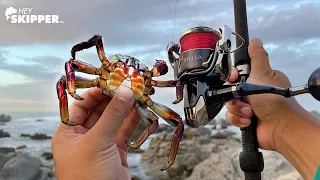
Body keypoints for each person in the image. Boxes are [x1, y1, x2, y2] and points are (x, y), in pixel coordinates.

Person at [51, 38, 320, 180]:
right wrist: (73, 87)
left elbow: (169, 84)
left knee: (174, 122)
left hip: (135, 96)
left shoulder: (150, 78)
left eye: (138, 67)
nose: (130, 67)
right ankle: (70, 116)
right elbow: (70, 68)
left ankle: (142, 146)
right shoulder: (102, 66)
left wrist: (180, 91)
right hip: (107, 83)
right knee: (65, 81)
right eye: (125, 63)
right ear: (109, 60)